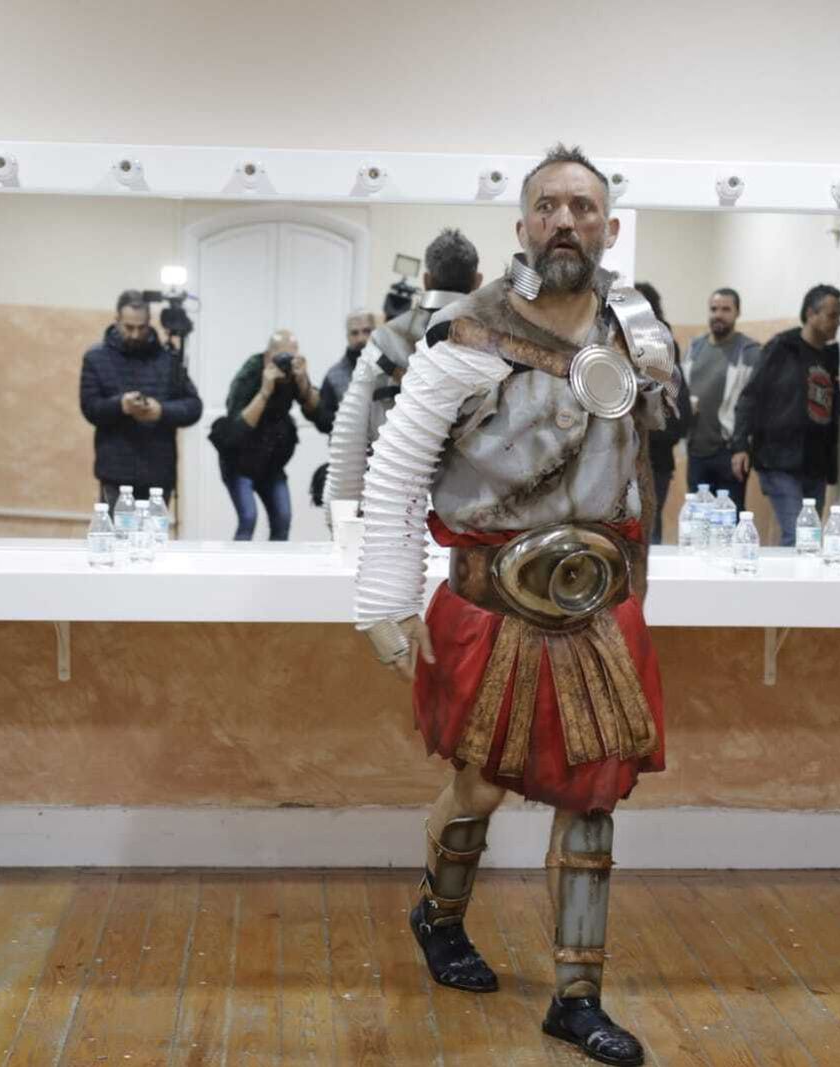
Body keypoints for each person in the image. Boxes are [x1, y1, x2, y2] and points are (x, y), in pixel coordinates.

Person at [355, 144, 676, 1066]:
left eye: (583, 207)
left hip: (595, 606)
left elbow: (649, 452)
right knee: (480, 785)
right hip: (490, 605)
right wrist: (384, 597)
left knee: (595, 795)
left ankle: (578, 995)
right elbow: (397, 471)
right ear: (523, 225)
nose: (565, 221)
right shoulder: (468, 336)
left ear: (609, 229)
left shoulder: (634, 330)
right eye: (548, 207)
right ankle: (439, 914)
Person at [323, 229, 481, 514]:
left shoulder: (385, 340)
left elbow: (348, 441)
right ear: (477, 281)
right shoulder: (504, 342)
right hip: (474, 508)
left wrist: (340, 521)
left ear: (427, 280)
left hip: (395, 504)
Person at [737, 283, 840, 545]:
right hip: (778, 459)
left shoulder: (829, 356)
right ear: (811, 314)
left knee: (809, 537)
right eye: (832, 315)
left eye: (839, 316)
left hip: (815, 462)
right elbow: (750, 395)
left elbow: (827, 411)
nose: (838, 322)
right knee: (798, 536)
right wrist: (740, 445)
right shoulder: (782, 348)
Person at [79, 290, 203, 514]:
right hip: (115, 472)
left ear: (149, 322)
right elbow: (90, 408)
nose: (135, 334)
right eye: (128, 327)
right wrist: (121, 406)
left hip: (158, 471)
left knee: (153, 543)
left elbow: (193, 407)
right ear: (116, 321)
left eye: (141, 327)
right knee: (117, 543)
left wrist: (161, 411)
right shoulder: (96, 358)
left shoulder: (168, 358)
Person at [217, 329, 325, 540]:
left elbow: (319, 415)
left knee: (283, 517)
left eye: (290, 358)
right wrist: (265, 390)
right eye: (280, 358)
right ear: (268, 356)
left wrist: (303, 381)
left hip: (270, 462)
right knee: (248, 517)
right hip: (239, 461)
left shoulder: (294, 373)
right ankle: (237, 570)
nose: (285, 364)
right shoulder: (249, 373)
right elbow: (236, 430)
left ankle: (277, 570)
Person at [684, 287, 761, 508]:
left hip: (729, 452)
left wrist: (743, 447)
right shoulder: (695, 348)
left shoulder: (749, 351)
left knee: (730, 521)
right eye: (714, 309)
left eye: (726, 309)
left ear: (737, 313)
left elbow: (754, 404)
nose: (718, 314)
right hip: (696, 450)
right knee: (698, 522)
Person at [633, 282, 691, 543]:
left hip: (653, 454)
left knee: (648, 527)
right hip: (653, 455)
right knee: (647, 525)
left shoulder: (660, 356)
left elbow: (676, 416)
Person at [316, 309, 376, 432]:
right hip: (347, 447)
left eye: (366, 331)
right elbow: (323, 422)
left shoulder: (391, 369)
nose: (361, 339)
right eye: (354, 333)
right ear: (347, 336)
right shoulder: (333, 376)